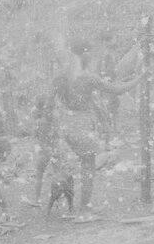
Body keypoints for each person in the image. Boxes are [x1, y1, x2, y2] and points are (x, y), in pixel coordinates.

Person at [53, 40, 141, 212]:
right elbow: (117, 90)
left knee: (66, 165)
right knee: (87, 165)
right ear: (83, 54)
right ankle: (84, 206)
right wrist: (139, 79)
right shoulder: (87, 78)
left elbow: (50, 101)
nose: (91, 57)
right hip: (81, 125)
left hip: (65, 123)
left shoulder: (61, 74)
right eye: (89, 53)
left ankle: (61, 197)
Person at [28, 94, 58, 207]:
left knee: (39, 175)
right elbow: (58, 136)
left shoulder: (38, 122)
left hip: (43, 151)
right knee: (58, 175)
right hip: (54, 150)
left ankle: (37, 199)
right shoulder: (54, 121)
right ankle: (60, 198)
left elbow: (34, 136)